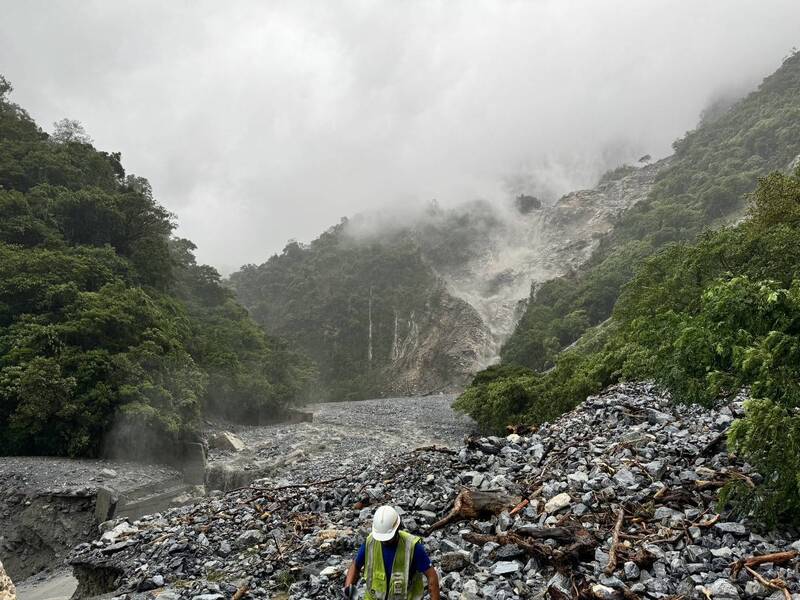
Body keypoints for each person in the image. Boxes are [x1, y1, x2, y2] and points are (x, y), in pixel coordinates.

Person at [343, 505, 440, 600]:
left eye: (388, 538)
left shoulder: (412, 547)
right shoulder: (370, 543)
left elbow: (431, 576)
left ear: (397, 528)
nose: (384, 541)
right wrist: (348, 588)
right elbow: (355, 565)